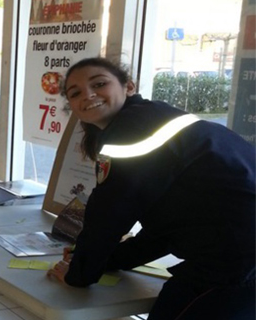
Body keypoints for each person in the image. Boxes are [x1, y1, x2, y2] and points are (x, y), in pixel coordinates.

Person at [46, 57, 255, 319]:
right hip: (236, 252)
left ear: (129, 87)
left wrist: (78, 273)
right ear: (72, 107)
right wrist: (109, 259)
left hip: (234, 260)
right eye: (75, 93)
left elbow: (109, 213)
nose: (88, 94)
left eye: (99, 83)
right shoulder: (151, 118)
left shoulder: (132, 130)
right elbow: (166, 229)